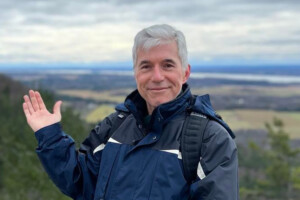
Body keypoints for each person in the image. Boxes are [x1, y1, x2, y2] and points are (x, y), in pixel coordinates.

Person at [23, 24, 239, 200]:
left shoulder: (208, 139)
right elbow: (80, 183)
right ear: (135, 73)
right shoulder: (115, 126)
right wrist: (50, 135)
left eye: (167, 65)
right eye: (146, 66)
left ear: (185, 73)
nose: (156, 76)